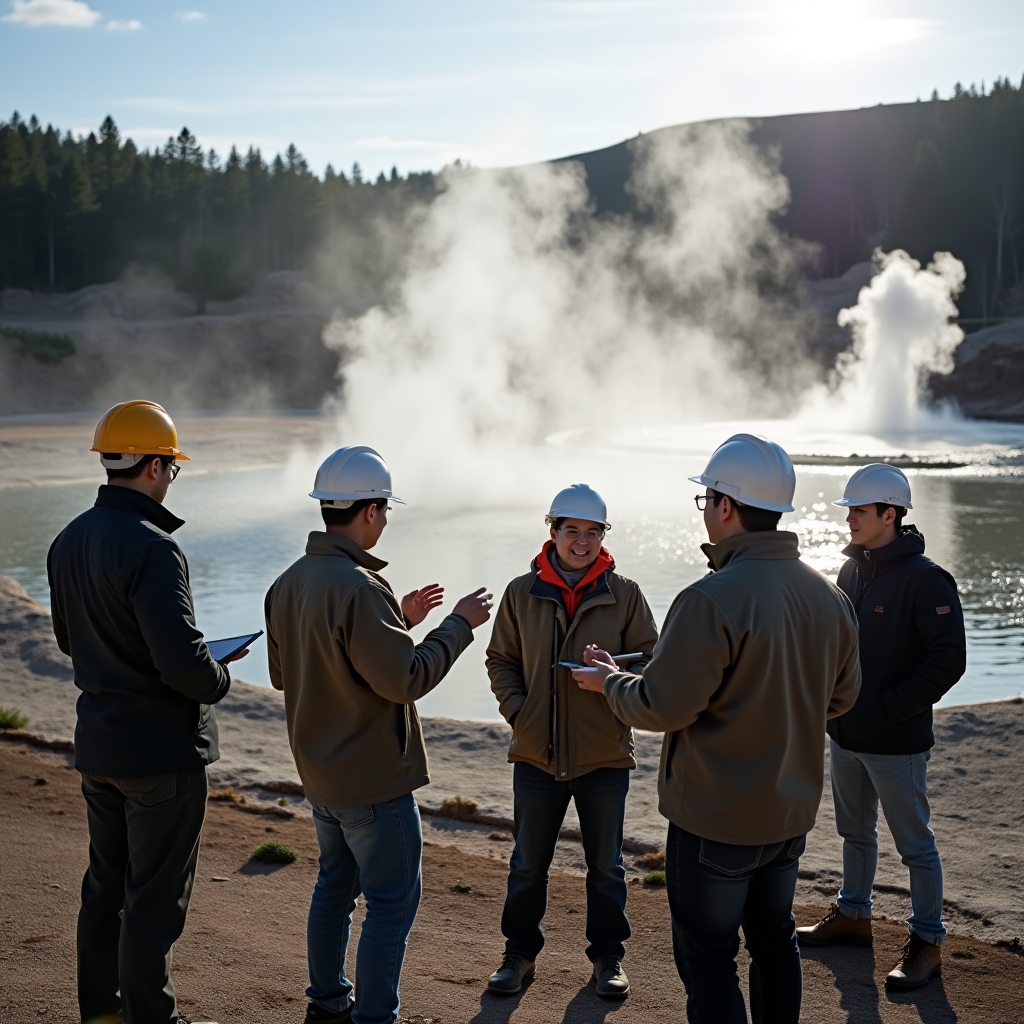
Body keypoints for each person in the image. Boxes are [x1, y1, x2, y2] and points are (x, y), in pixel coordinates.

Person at [573, 435, 862, 1024]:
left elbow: (660, 706)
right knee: (775, 943)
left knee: (709, 961)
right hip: (788, 818)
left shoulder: (710, 598)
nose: (704, 512)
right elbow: (841, 697)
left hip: (715, 823)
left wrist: (608, 683)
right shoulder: (829, 595)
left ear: (725, 505)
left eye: (706, 500)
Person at [264, 445, 493, 1024]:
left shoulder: (288, 583)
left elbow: (285, 673)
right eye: (385, 509)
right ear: (368, 512)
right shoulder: (362, 588)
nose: (387, 519)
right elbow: (407, 679)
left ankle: (327, 1005)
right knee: (390, 905)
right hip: (372, 781)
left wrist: (400, 623)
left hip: (319, 779)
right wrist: (457, 626)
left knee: (334, 891)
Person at [47, 400, 246, 1024]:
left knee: (105, 888)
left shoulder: (67, 539)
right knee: (154, 901)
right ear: (158, 466)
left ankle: (101, 1015)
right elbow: (184, 667)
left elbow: (67, 640)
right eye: (173, 468)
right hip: (161, 756)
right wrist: (219, 676)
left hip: (100, 747)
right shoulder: (155, 547)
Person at [484, 483, 659, 1000]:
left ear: (602, 537)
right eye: (571, 531)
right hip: (536, 754)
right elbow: (501, 661)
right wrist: (521, 714)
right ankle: (518, 957)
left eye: (592, 532)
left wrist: (611, 679)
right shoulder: (521, 592)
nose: (581, 542)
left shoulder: (625, 594)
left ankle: (608, 959)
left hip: (604, 754)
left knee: (606, 866)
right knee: (527, 863)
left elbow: (651, 664)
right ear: (552, 531)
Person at [796, 464, 966, 991]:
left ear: (888, 515)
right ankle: (853, 915)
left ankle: (928, 940)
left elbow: (948, 661)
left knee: (915, 846)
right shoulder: (851, 572)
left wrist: (890, 708)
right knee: (854, 834)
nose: (849, 518)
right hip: (845, 736)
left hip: (896, 742)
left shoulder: (927, 579)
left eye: (858, 511)